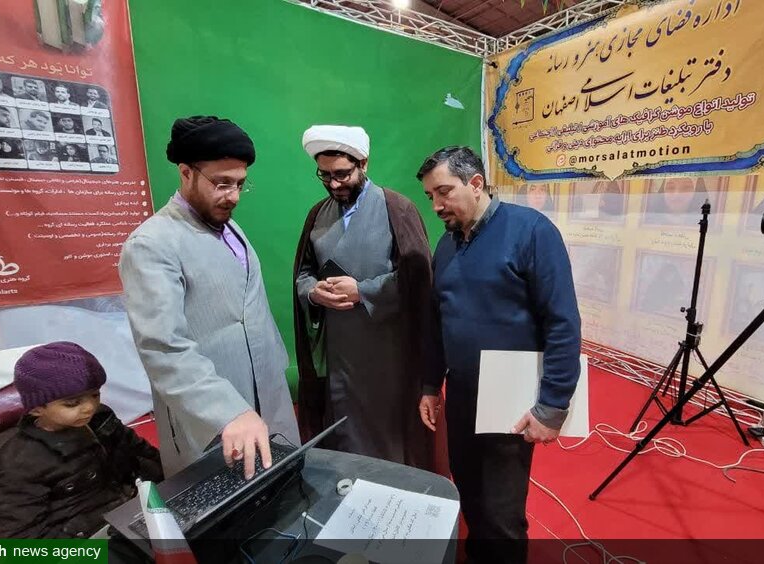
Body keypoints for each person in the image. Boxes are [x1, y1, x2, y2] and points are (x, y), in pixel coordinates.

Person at [416, 146, 581, 563]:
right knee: (470, 492)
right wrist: (430, 384)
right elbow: (437, 321)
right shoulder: (447, 245)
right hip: (461, 395)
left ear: (476, 183)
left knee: (502, 512)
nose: (436, 206)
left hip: (510, 400)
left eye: (444, 192)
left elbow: (562, 322)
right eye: (430, 196)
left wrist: (553, 405)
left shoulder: (532, 232)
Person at [119, 115, 299, 477]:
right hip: (211, 417)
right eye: (222, 183)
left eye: (240, 184)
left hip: (266, 397)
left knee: (284, 492)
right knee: (225, 505)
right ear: (186, 173)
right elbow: (163, 347)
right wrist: (226, 410)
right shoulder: (151, 244)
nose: (233, 196)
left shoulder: (229, 226)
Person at [293, 125, 440, 468]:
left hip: (388, 355)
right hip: (339, 355)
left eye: (342, 174)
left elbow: (419, 278)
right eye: (325, 175)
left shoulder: (396, 209)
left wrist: (362, 291)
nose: (334, 184)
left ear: (364, 164)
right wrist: (313, 292)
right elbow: (303, 274)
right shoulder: (317, 215)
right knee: (345, 438)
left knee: (387, 442)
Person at [0, 342, 163, 538]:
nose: (89, 407)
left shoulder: (101, 419)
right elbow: (21, 537)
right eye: (72, 403)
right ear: (36, 409)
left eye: (95, 395)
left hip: (132, 515)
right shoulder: (16, 465)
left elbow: (144, 455)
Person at [643, 177, 710, 225]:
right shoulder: (649, 222)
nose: (677, 195)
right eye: (671, 187)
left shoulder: (708, 223)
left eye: (686, 187)